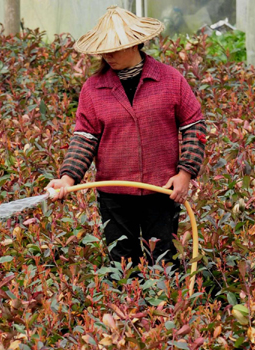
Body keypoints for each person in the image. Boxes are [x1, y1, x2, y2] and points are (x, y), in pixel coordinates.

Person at [46, 6, 207, 273]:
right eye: (103, 49)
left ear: (134, 44)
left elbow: (194, 126)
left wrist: (185, 173)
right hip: (114, 195)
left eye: (113, 48)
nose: (106, 55)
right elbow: (84, 138)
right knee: (122, 265)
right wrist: (67, 179)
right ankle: (129, 313)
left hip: (162, 191)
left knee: (164, 261)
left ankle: (167, 312)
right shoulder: (93, 88)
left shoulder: (170, 80)